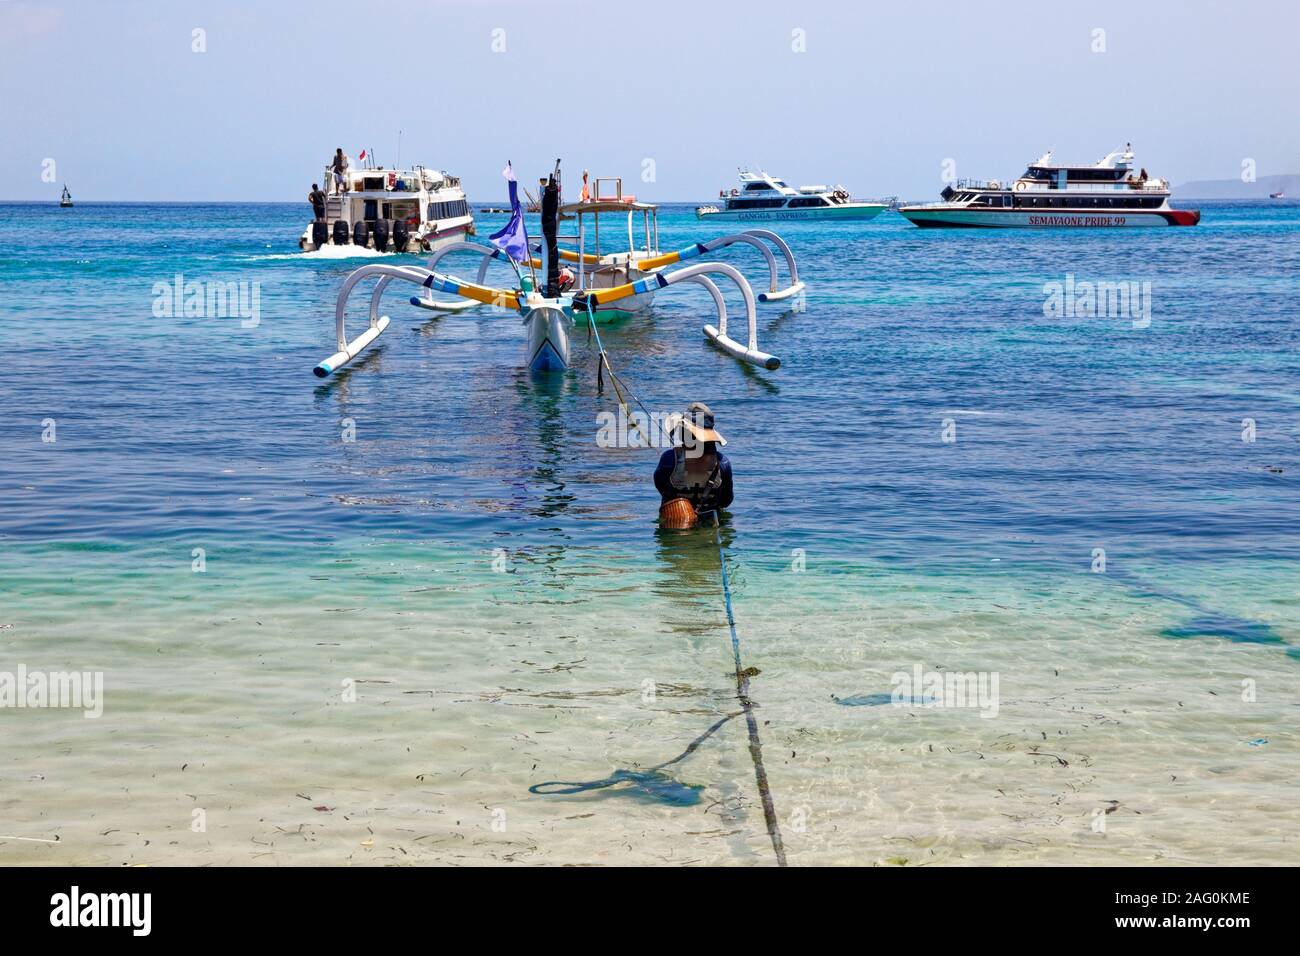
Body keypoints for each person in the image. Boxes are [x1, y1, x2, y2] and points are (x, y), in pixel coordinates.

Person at [654, 402, 734, 516]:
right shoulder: (723, 462)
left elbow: (661, 487)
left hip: (675, 522)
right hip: (709, 525)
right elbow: (726, 501)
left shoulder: (669, 459)